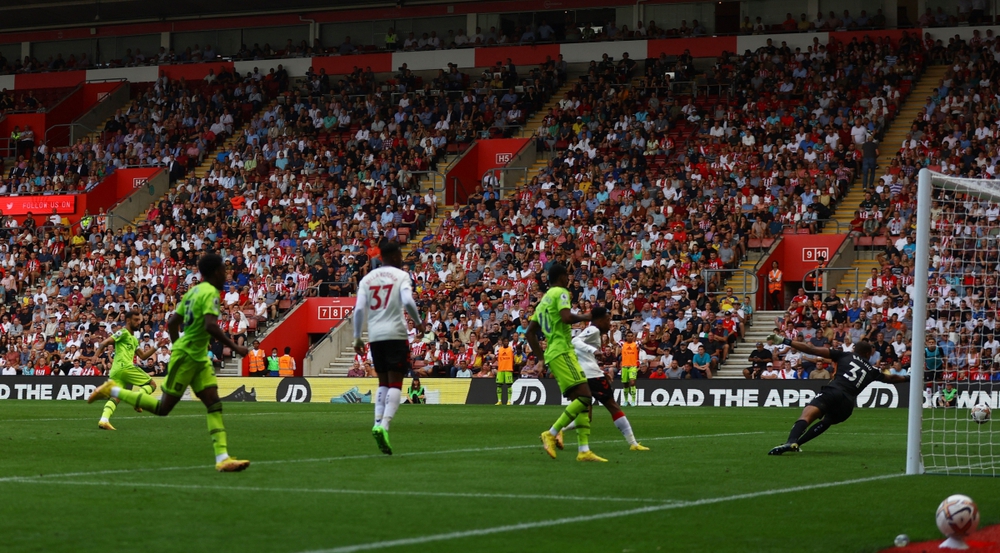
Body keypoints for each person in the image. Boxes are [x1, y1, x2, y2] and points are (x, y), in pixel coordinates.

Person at [88, 253, 251, 472]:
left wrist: (176, 345)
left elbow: (174, 321)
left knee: (214, 403)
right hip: (187, 357)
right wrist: (235, 346)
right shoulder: (211, 293)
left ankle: (222, 457)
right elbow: (210, 325)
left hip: (197, 358)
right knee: (163, 408)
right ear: (215, 272)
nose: (226, 273)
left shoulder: (193, 292)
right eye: (224, 270)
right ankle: (114, 391)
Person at [766, 333, 907, 455]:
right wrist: (910, 378)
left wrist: (786, 341)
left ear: (854, 350)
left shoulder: (844, 355)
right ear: (868, 354)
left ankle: (791, 441)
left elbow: (812, 349)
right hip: (848, 404)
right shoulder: (872, 370)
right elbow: (891, 379)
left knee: (808, 414)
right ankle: (797, 444)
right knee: (826, 421)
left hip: (834, 390)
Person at [526, 263, 606, 462]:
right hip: (562, 351)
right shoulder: (560, 292)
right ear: (561, 277)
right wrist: (587, 317)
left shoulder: (542, 301)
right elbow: (566, 317)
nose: (568, 280)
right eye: (567, 276)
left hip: (554, 353)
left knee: (580, 401)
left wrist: (541, 358)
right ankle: (552, 433)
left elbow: (529, 333)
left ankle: (583, 450)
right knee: (586, 398)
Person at [352, 239, 425, 455]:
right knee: (395, 383)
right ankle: (384, 426)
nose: (402, 258)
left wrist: (357, 338)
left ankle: (376, 422)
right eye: (400, 255)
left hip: (375, 337)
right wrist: (419, 323)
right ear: (394, 257)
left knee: (382, 382)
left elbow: (358, 310)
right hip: (395, 333)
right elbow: (409, 301)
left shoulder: (367, 279)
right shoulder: (401, 276)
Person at [564, 306, 649, 451]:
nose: (609, 323)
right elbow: (575, 342)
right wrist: (594, 351)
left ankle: (557, 431)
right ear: (599, 320)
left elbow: (583, 352)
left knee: (587, 416)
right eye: (608, 319)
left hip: (586, 374)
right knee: (612, 405)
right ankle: (633, 443)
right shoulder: (594, 330)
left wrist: (599, 368)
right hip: (591, 376)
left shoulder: (594, 332)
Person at [94, 311, 166, 430]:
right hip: (125, 367)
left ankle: (104, 420)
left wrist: (157, 346)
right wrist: (95, 356)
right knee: (152, 384)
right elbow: (104, 342)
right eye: (136, 320)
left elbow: (143, 356)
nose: (139, 322)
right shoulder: (122, 332)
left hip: (116, 370)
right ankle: (137, 400)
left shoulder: (133, 339)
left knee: (116, 397)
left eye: (139, 320)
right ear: (128, 321)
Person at [619, 331, 640, 407]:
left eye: (631, 336)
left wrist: (647, 330)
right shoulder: (622, 344)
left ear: (633, 337)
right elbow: (612, 342)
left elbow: (645, 340)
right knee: (625, 384)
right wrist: (611, 332)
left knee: (632, 382)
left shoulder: (636, 344)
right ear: (626, 337)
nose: (630, 337)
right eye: (628, 336)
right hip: (624, 367)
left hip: (633, 366)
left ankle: (633, 401)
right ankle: (626, 400)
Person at [496, 337, 514, 405]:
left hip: (508, 369)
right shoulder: (500, 349)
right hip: (500, 369)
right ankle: (499, 400)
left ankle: (509, 401)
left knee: (509, 385)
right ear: (502, 342)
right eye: (505, 341)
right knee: (499, 385)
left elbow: (518, 347)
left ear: (508, 342)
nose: (506, 342)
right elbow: (496, 357)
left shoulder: (511, 349)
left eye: (507, 341)